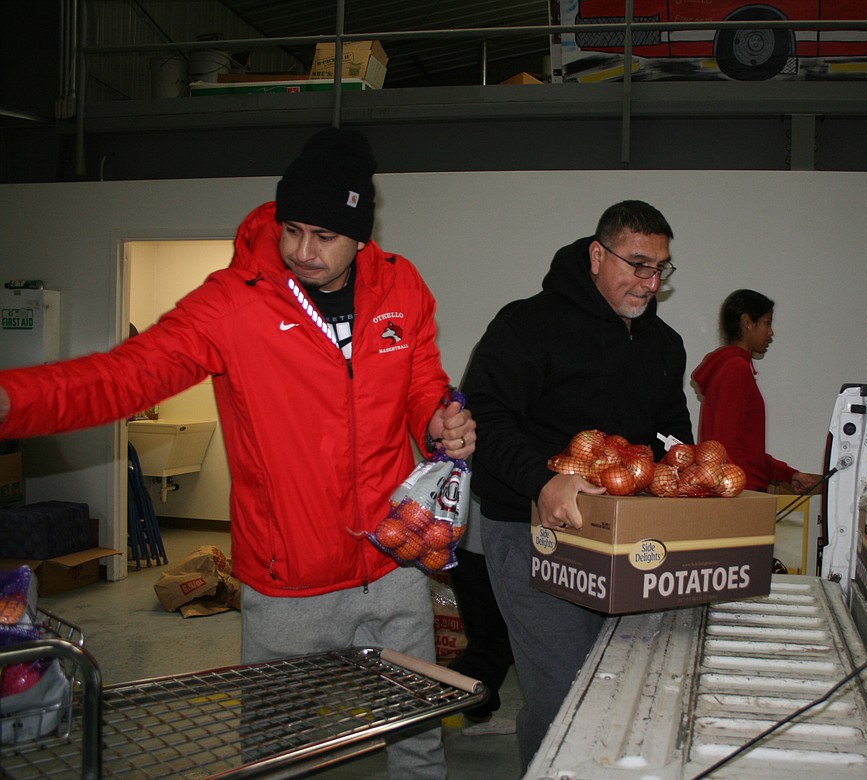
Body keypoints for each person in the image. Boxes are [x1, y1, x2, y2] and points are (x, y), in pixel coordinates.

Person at [0, 127, 475, 779]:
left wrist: (440, 416)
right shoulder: (232, 304)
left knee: (415, 731)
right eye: (292, 230)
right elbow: (122, 376)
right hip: (288, 582)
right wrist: (11, 399)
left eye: (325, 236)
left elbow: (421, 377)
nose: (303, 251)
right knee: (276, 747)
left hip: (393, 561)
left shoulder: (402, 289)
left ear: (362, 236)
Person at [461, 200, 693, 770]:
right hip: (531, 532)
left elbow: (672, 434)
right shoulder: (525, 324)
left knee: (631, 685)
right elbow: (484, 419)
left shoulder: (663, 344)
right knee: (564, 693)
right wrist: (545, 482)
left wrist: (691, 470)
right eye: (637, 264)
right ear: (596, 255)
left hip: (623, 537)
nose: (650, 281)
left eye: (661, 269)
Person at [692, 289, 820, 493]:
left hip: (738, 491)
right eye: (767, 323)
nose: (771, 332)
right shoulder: (736, 369)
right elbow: (726, 446)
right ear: (747, 322)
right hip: (739, 495)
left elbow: (747, 450)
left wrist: (788, 474)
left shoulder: (732, 367)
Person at [447, 491, 516, 737]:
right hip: (481, 547)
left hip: (469, 543)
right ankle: (442, 688)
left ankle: (478, 715)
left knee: (486, 636)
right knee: (498, 639)